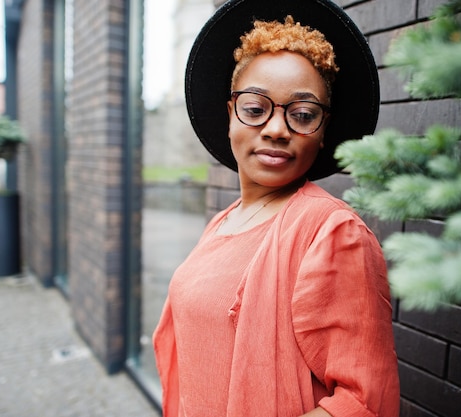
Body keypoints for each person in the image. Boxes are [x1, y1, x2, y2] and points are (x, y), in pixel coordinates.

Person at [153, 0, 400, 416]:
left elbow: (365, 401)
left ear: (322, 133)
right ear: (230, 115)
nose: (276, 129)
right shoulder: (222, 221)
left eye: (302, 114)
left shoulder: (333, 233)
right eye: (254, 108)